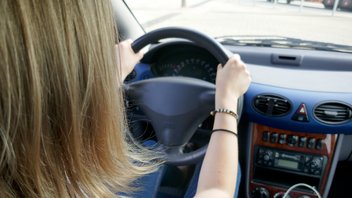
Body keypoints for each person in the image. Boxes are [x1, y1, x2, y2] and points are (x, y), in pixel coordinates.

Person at [0, 0, 251, 197]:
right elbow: (216, 191)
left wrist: (111, 76)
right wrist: (226, 101)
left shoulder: (56, 177)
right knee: (233, 168)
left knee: (151, 149)